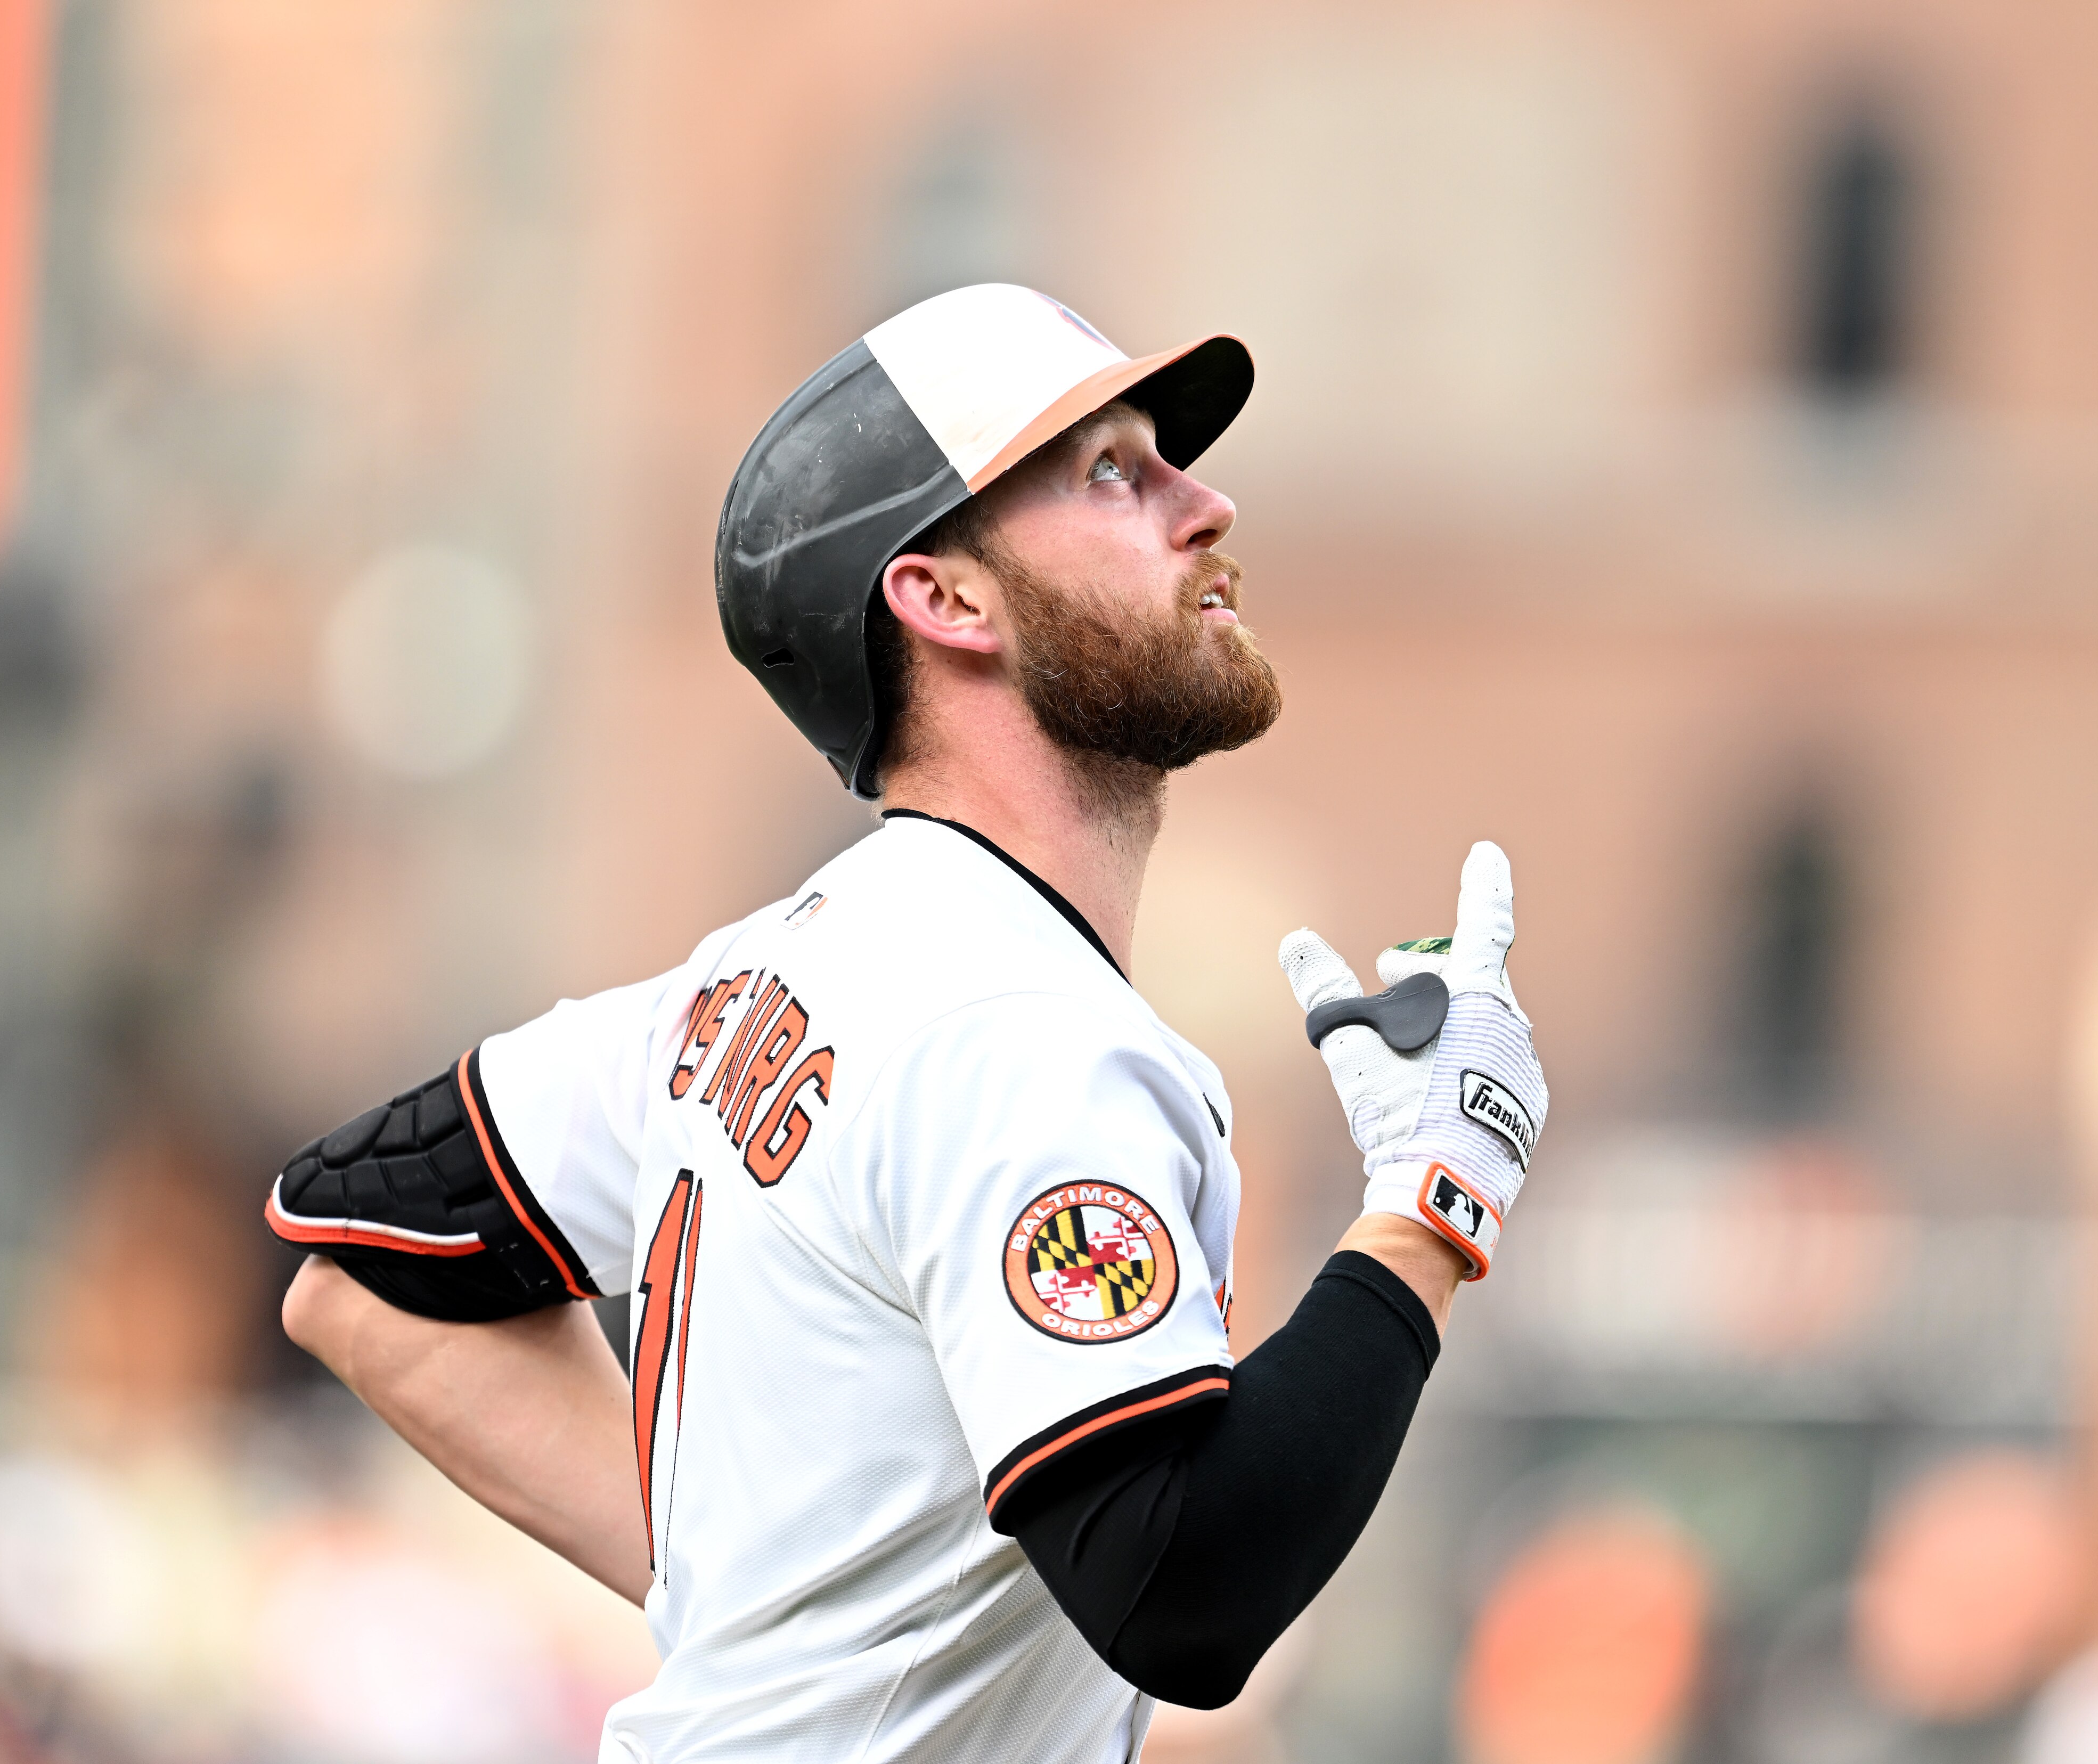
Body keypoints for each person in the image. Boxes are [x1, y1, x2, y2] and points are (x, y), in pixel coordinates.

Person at [269, 283, 1548, 1762]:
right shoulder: (1016, 1028)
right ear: (945, 599)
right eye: (1115, 472)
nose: (1207, 504)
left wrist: (755, 1601)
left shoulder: (744, 989)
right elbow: (1186, 1593)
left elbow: (352, 1259)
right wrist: (1433, 1207)